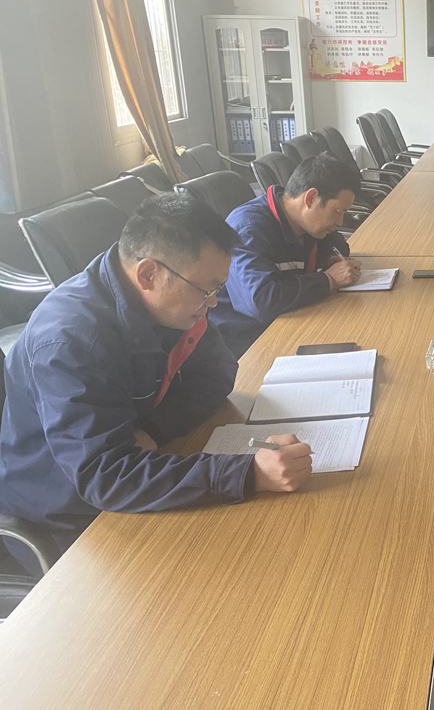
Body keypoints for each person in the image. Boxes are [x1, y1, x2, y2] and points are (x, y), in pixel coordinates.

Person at [0, 193, 314, 571]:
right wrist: (248, 473)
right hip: (66, 515)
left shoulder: (171, 302)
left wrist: (155, 428)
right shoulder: (71, 341)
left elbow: (217, 374)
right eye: (207, 288)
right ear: (148, 274)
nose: (213, 302)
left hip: (129, 469)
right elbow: (105, 476)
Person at [211, 153, 363, 358]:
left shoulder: (306, 222)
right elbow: (261, 301)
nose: (340, 222)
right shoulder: (249, 229)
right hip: (248, 341)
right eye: (338, 211)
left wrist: (330, 258)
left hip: (291, 318)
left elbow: (336, 244)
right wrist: (328, 279)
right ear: (310, 198)